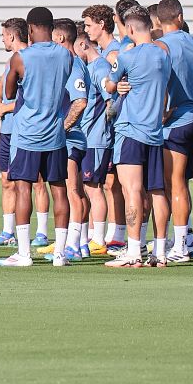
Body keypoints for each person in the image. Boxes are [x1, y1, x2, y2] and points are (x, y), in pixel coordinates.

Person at [1, 7, 78, 267]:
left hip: (27, 134)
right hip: (55, 133)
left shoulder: (21, 57)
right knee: (59, 191)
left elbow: (9, 93)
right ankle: (60, 254)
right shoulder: (66, 55)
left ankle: (24, 254)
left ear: (30, 29)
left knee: (24, 189)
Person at [103, 6, 172, 268]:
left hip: (131, 130)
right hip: (155, 132)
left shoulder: (127, 55)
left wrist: (116, 85)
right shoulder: (164, 56)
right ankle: (161, 252)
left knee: (131, 189)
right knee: (157, 191)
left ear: (130, 29)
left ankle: (133, 252)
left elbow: (110, 84)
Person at [156, 0, 193, 262]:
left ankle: (179, 246)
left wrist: (163, 109)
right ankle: (180, 241)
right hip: (192, 119)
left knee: (171, 184)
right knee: (180, 182)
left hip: (173, 124)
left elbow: (159, 81)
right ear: (180, 16)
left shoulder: (161, 46)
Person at [82, 3, 126, 250]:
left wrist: (109, 121)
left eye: (89, 25)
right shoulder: (103, 52)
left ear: (102, 24)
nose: (87, 30)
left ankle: (115, 235)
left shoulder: (112, 55)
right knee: (109, 184)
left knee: (112, 185)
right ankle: (111, 234)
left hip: (109, 132)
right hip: (106, 131)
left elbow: (114, 96)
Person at [0, 17, 28, 248]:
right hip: (7, 129)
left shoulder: (27, 59)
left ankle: (38, 232)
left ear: (12, 36)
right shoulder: (11, 60)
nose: (2, 39)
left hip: (24, 130)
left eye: (3, 35)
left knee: (31, 183)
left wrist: (6, 107)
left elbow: (29, 98)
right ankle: (7, 231)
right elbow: (1, 83)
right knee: (6, 181)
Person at [50, 18, 88, 261]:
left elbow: (80, 101)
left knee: (72, 190)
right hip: (71, 138)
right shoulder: (65, 63)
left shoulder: (72, 63)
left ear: (61, 38)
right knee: (77, 191)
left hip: (71, 139)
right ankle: (80, 242)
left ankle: (73, 243)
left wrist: (61, 128)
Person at [75, 27, 112, 255]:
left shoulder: (100, 67)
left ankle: (99, 238)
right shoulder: (88, 68)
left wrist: (104, 128)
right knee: (85, 187)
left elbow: (110, 101)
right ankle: (87, 236)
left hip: (96, 138)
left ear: (83, 45)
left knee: (94, 187)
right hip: (87, 137)